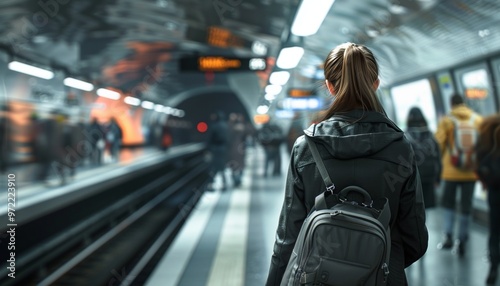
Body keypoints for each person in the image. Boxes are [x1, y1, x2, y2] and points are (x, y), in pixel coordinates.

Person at [265, 42, 428, 286]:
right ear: (375, 84)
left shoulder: (306, 147)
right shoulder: (400, 147)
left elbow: (288, 236)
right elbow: (415, 238)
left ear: (330, 87)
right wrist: (371, 260)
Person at [435, 93, 482, 256]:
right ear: (464, 103)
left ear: (451, 104)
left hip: (450, 172)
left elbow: (439, 145)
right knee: (466, 205)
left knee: (448, 203)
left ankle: (448, 236)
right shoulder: (477, 120)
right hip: (471, 171)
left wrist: (439, 166)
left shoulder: (447, 121)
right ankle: (462, 239)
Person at [475, 114, 500, 285]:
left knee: (495, 231)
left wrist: (485, 182)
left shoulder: (487, 130)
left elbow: (479, 163)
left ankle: (493, 268)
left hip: (495, 191)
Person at [405, 107, 442, 208]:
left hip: (414, 177)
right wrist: (438, 179)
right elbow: (438, 158)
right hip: (429, 176)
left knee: (415, 206)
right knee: (427, 206)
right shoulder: (430, 135)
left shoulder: (406, 136)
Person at [206, 111, 230, 191]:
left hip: (215, 148)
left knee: (213, 168)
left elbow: (210, 139)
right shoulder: (226, 126)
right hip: (223, 148)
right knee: (222, 167)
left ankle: (211, 185)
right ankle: (224, 184)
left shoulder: (214, 126)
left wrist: (208, 149)